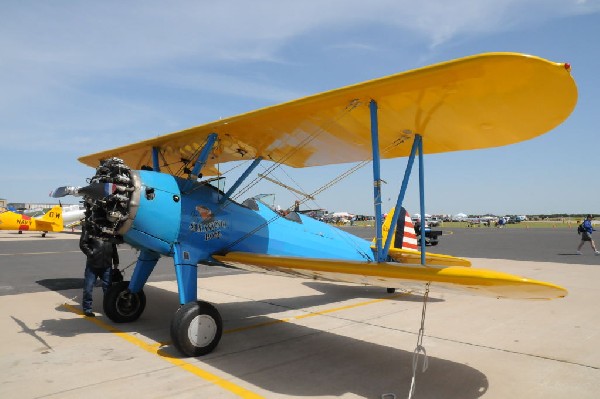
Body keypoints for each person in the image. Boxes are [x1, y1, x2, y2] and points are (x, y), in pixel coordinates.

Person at [79, 224, 119, 316]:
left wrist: (116, 261)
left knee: (108, 289)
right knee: (88, 288)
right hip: (93, 264)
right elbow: (83, 244)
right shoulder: (90, 227)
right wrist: (91, 253)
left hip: (107, 265)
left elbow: (113, 246)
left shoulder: (109, 230)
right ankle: (87, 308)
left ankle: (108, 308)